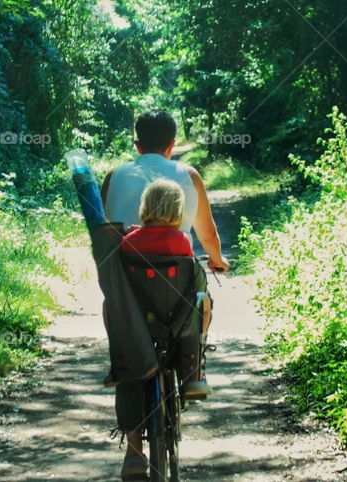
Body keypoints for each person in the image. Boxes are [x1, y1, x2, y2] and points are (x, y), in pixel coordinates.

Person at [102, 110, 229, 482]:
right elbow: (207, 236)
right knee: (199, 301)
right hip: (177, 295)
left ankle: (133, 450)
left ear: (136, 144)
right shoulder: (188, 176)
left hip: (129, 294)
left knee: (127, 348)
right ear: (172, 146)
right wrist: (218, 262)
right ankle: (193, 371)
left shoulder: (113, 176)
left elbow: (102, 232)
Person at [120, 178, 211, 398]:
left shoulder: (128, 242)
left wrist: (134, 234)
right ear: (177, 209)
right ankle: (196, 364)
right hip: (177, 318)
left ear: (146, 206)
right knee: (204, 302)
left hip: (139, 318)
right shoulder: (181, 241)